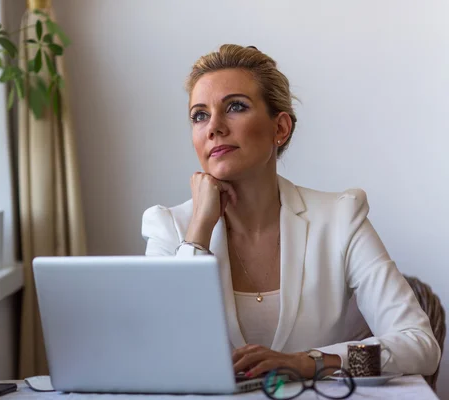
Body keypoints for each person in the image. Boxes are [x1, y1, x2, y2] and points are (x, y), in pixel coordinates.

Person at [142, 44, 440, 379]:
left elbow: (420, 348)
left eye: (235, 107)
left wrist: (315, 361)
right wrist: (198, 230)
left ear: (280, 129)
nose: (214, 127)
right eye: (200, 115)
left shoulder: (340, 220)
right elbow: (156, 351)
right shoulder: (169, 228)